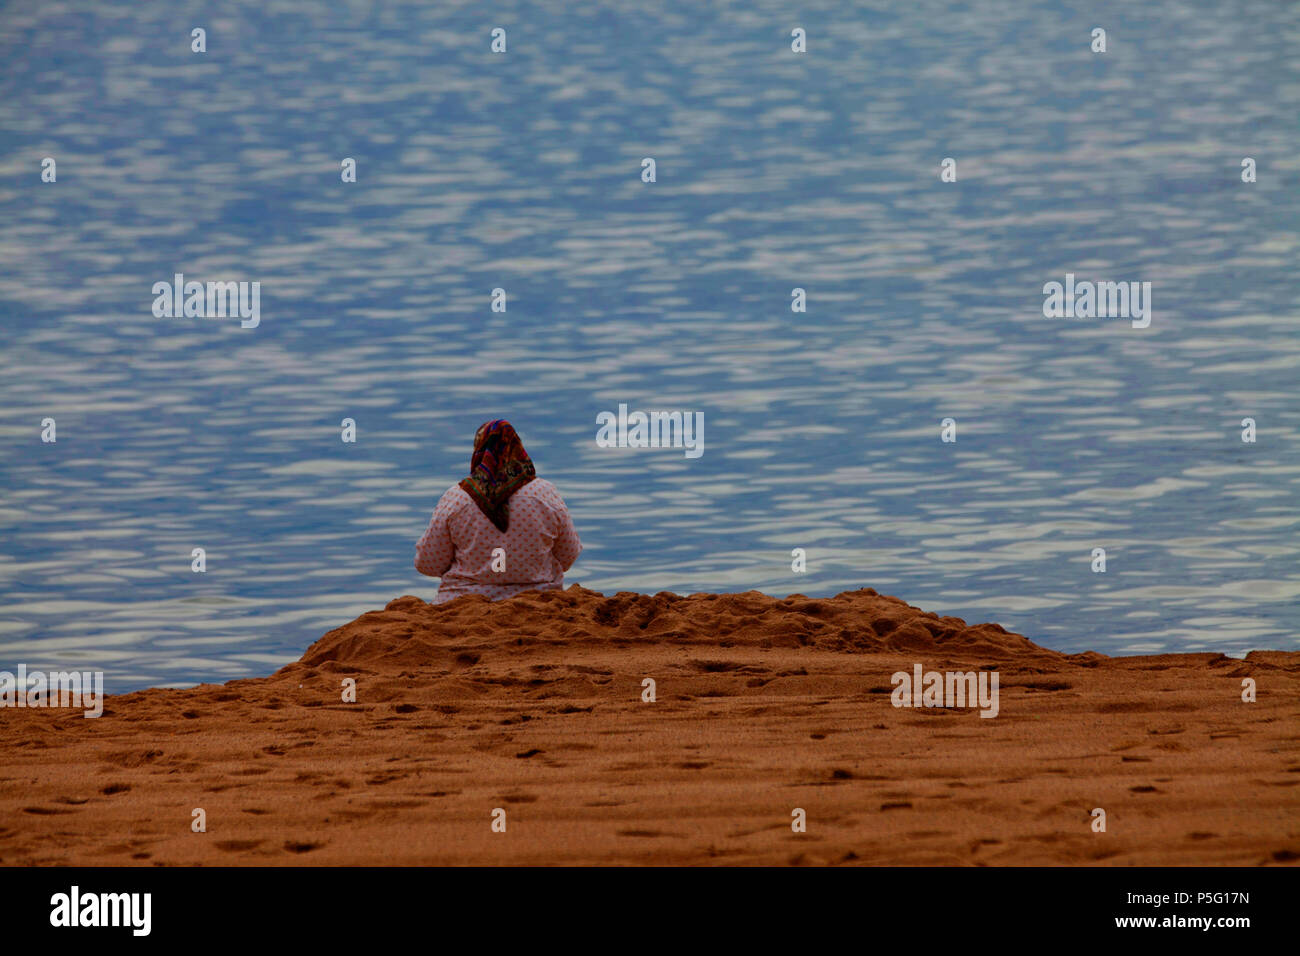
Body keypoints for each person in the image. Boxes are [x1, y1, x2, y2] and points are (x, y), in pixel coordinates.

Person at [415, 420, 581, 604]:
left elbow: (427, 564)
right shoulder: (545, 494)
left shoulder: (457, 497)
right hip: (538, 602)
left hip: (462, 602)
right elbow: (568, 556)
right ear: (517, 448)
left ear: (479, 452)